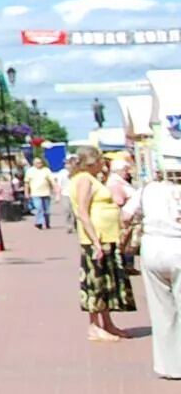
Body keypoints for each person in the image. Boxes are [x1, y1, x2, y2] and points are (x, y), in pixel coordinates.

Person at [122, 150, 181, 380]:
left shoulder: (147, 189)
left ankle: (170, 366)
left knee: (161, 310)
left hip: (154, 246)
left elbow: (125, 216)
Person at [69, 145, 134, 342]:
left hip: (107, 237)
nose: (103, 165)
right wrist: (95, 242)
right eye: (100, 161)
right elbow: (82, 211)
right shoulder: (83, 180)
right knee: (95, 282)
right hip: (96, 239)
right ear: (92, 162)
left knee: (107, 281)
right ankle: (94, 326)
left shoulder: (92, 179)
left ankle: (108, 323)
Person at [26, 157, 56, 229]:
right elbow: (26, 183)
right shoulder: (30, 171)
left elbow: (52, 180)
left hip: (46, 193)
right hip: (35, 193)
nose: (39, 164)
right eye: (37, 163)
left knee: (46, 210)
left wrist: (55, 189)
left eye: (40, 162)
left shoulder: (46, 170)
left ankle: (47, 222)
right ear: (34, 163)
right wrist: (26, 193)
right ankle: (39, 222)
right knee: (39, 208)